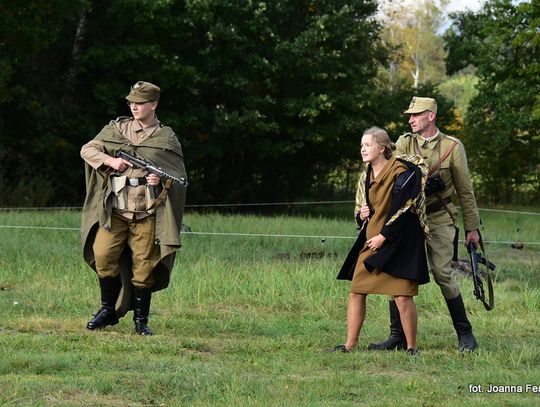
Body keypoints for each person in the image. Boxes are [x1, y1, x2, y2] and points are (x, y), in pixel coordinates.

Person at [368, 96, 481, 352]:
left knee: (442, 272)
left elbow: (465, 191)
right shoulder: (404, 143)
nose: (411, 119)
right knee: (396, 271)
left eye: (416, 115)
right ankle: (397, 336)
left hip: (439, 217)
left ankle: (465, 334)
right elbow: (382, 172)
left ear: (431, 116)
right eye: (410, 115)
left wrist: (472, 228)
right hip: (409, 218)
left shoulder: (452, 147)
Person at [80, 81, 187, 335]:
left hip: (147, 211)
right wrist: (110, 160)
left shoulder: (165, 137)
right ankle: (108, 310)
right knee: (103, 254)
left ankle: (141, 321)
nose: (134, 107)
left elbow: (176, 174)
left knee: (145, 265)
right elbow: (88, 149)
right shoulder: (117, 129)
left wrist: (160, 180)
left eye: (139, 103)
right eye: (131, 102)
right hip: (115, 208)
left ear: (153, 105)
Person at [330, 126, 429, 355]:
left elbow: (407, 209)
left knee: (403, 297)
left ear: (381, 148)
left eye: (367, 145)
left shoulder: (403, 171)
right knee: (357, 290)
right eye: (361, 145)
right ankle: (349, 345)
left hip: (400, 240)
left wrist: (384, 236)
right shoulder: (366, 175)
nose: (363, 149)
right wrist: (361, 214)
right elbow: (360, 207)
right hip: (372, 239)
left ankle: (412, 347)